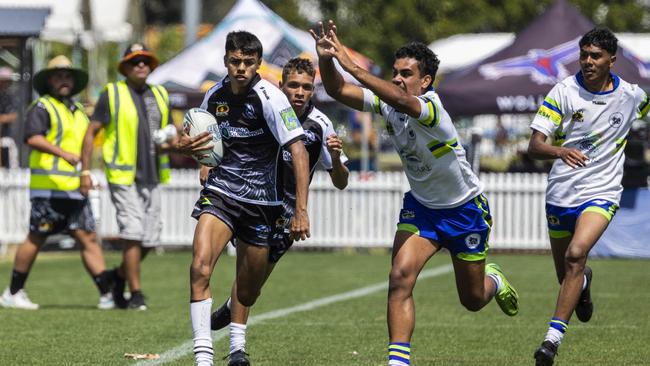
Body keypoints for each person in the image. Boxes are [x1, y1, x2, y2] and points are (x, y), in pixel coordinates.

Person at [311, 21, 519, 366]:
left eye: (406, 73)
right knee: (399, 276)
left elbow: (401, 99)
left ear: (425, 82)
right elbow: (337, 92)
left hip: (464, 211)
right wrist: (328, 61)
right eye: (395, 72)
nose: (397, 78)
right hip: (422, 208)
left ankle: (494, 281)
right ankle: (398, 361)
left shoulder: (432, 109)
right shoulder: (389, 104)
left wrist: (351, 64)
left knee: (472, 298)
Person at [208, 57, 350, 361]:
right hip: (250, 202)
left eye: (306, 87)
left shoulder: (321, 125)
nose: (299, 92)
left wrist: (336, 159)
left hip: (285, 216)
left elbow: (340, 182)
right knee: (237, 270)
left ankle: (230, 309)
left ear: (313, 91)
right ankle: (237, 349)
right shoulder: (265, 107)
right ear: (281, 86)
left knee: (253, 286)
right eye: (293, 85)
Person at [186, 31, 310, 366]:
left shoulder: (271, 97)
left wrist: (300, 210)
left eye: (248, 62)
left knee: (249, 285)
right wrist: (199, 156)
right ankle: (203, 355)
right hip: (222, 193)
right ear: (226, 60)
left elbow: (297, 150)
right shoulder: (213, 96)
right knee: (199, 267)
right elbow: (200, 138)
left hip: (262, 202)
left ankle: (237, 347)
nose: (241, 68)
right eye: (235, 61)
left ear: (257, 64)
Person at [528, 27, 649, 366]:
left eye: (595, 56)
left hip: (603, 192)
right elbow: (534, 146)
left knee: (576, 255)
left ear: (612, 60)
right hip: (561, 193)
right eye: (584, 55)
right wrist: (558, 151)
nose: (588, 61)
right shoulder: (563, 91)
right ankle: (583, 283)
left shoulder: (632, 96)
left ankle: (550, 342)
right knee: (567, 275)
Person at [0, 56, 113, 310]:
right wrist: (63, 154)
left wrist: (86, 174)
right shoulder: (42, 107)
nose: (64, 80)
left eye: (68, 76)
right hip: (48, 188)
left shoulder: (78, 112)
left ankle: (107, 294)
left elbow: (85, 148)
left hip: (73, 187)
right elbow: (32, 138)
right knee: (37, 236)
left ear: (73, 82)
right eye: (58, 75)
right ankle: (13, 292)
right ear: (49, 80)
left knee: (88, 237)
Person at [80, 44, 176, 310]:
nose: (141, 65)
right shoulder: (112, 93)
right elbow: (91, 132)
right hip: (124, 176)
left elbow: (169, 134)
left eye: (145, 61)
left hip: (153, 175)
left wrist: (173, 143)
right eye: (135, 62)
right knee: (133, 234)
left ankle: (118, 276)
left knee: (149, 239)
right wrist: (85, 171)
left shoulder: (160, 93)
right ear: (125, 67)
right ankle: (136, 294)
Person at [0, 66, 17, 167]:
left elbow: (15, 115)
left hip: (10, 137)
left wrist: (3, 119)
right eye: (3, 81)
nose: (5, 84)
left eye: (7, 81)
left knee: (10, 164)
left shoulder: (13, 96)